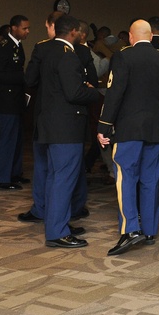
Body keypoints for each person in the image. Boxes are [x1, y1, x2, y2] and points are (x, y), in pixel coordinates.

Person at [97, 20, 159, 256]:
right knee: (150, 180)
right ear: (151, 36)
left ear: (132, 36)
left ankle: (130, 229)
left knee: (126, 177)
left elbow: (114, 92)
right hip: (157, 129)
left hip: (129, 129)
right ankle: (150, 230)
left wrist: (104, 125)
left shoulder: (123, 57)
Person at [28, 15, 100, 248]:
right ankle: (57, 232)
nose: (82, 36)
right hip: (66, 127)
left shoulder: (47, 52)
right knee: (63, 179)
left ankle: (57, 223)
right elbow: (74, 93)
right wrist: (94, 93)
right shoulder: (68, 57)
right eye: (80, 32)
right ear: (72, 32)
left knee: (54, 178)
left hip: (50, 124)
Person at [0, 14, 31, 190]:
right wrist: (22, 77)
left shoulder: (17, 46)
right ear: (14, 28)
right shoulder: (3, 47)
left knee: (16, 138)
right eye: (24, 28)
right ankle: (1, 178)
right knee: (7, 139)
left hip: (16, 100)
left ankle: (14, 173)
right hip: (5, 100)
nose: (27, 31)